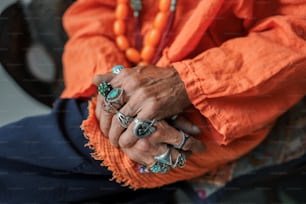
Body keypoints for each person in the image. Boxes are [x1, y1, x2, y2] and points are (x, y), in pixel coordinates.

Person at [0, 0, 306, 203]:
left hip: (209, 109)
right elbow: (92, 13)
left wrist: (186, 82)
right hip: (108, 104)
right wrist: (112, 90)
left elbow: (297, 27)